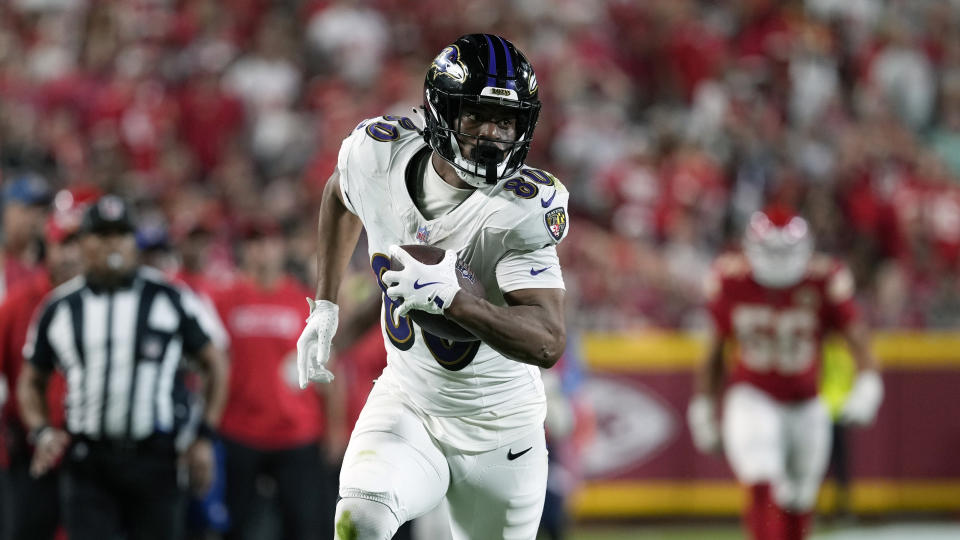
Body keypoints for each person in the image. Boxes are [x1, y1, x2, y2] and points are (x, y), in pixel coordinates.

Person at [296, 34, 570, 540]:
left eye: (506, 121)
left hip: (500, 430)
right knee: (360, 520)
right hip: (409, 401)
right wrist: (326, 306)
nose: (492, 134)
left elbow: (548, 339)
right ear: (440, 111)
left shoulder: (518, 208)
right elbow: (339, 194)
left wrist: (457, 302)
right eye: (477, 116)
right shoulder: (377, 156)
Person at [16, 195, 229, 540]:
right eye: (102, 234)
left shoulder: (169, 298)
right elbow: (31, 378)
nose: (113, 244)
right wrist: (41, 430)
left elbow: (214, 364)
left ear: (134, 242)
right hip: (88, 461)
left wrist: (203, 436)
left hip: (156, 458)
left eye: (121, 234)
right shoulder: (60, 308)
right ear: (84, 243)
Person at [687, 207, 884, 540]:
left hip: (807, 401)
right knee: (762, 479)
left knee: (800, 500)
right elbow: (715, 352)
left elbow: (858, 339)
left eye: (786, 252)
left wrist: (867, 387)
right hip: (753, 395)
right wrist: (703, 408)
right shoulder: (731, 279)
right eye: (771, 251)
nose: (778, 262)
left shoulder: (823, 279)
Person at [212, 221, 337, 540]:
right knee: (234, 527)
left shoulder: (305, 303)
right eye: (253, 244)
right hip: (239, 432)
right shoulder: (223, 301)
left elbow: (330, 369)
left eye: (268, 243)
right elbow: (210, 366)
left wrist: (336, 427)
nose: (261, 251)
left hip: (297, 434)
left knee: (306, 527)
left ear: (281, 249)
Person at [0, 191, 86, 540]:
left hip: (90, 460)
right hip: (30, 457)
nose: (71, 255)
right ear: (47, 247)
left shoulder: (104, 303)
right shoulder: (19, 304)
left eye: (78, 243)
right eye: (63, 244)